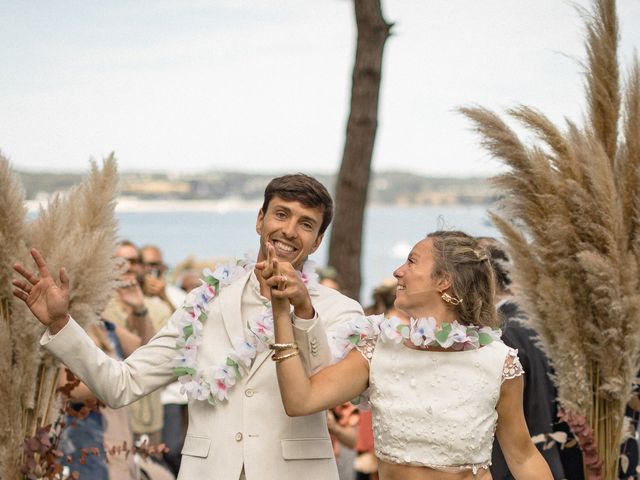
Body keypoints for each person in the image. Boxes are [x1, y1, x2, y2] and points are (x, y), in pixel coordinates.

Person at [12, 174, 364, 480]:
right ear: (260, 220)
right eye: (281, 214)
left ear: (317, 241)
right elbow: (121, 384)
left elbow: (321, 385)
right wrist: (61, 322)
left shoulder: (339, 310)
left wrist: (302, 309)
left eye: (306, 224)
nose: (289, 230)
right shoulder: (204, 302)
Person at [262, 231, 554, 479]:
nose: (397, 271)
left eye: (412, 261)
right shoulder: (377, 350)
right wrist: (281, 312)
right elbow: (301, 400)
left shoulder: (498, 361)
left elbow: (523, 456)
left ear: (444, 281)